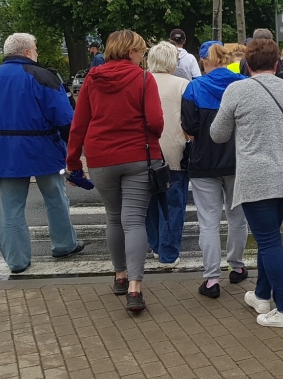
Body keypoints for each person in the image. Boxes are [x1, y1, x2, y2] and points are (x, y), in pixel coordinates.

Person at [211, 38, 283, 328]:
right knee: (270, 238)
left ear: (246, 64)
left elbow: (218, 134)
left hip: (258, 178)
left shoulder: (237, 90)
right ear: (277, 63)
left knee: (267, 240)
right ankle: (262, 295)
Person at [67, 30, 163, 313]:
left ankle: (120, 275)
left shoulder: (91, 81)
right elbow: (156, 122)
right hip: (137, 156)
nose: (142, 57)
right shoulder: (144, 79)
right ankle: (135, 289)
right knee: (134, 220)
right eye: (141, 52)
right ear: (131, 51)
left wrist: (74, 164)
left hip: (100, 158)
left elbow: (78, 126)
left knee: (113, 217)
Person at [0, 33, 84, 274]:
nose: (37, 53)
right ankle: (64, 244)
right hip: (43, 147)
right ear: (26, 52)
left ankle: (17, 261)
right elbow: (65, 118)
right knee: (55, 197)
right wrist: (73, 151)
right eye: (35, 49)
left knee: (11, 206)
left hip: (4, 150)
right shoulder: (44, 76)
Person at [182, 42, 249, 299]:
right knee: (237, 217)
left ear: (203, 61)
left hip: (203, 162)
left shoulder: (194, 87)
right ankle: (238, 266)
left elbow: (188, 125)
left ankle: (211, 280)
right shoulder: (243, 84)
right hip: (238, 160)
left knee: (208, 222)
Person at [144, 42, 190, 269]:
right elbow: (189, 120)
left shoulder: (141, 81)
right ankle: (168, 254)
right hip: (174, 150)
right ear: (173, 62)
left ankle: (155, 245)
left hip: (144, 150)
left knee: (149, 202)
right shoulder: (183, 84)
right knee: (173, 203)